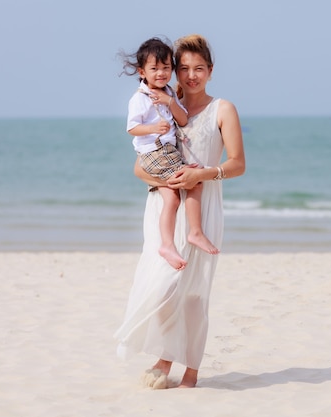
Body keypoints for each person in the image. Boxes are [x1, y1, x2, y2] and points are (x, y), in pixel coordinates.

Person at [114, 34, 246, 389]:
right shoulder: (163, 106)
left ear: (210, 71)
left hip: (203, 207)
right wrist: (165, 183)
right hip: (163, 203)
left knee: (194, 292)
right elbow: (140, 167)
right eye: (183, 68)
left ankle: (189, 369)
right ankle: (165, 356)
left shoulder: (223, 109)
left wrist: (202, 172)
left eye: (198, 68)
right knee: (163, 286)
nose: (190, 76)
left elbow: (237, 165)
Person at [123, 37, 219, 271]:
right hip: (155, 151)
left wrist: (169, 101)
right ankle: (195, 233)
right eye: (154, 69)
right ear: (142, 71)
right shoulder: (140, 98)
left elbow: (183, 119)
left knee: (173, 198)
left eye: (166, 68)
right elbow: (132, 128)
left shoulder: (168, 93)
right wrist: (153, 128)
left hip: (165, 151)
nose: (161, 73)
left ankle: (167, 245)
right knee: (194, 181)